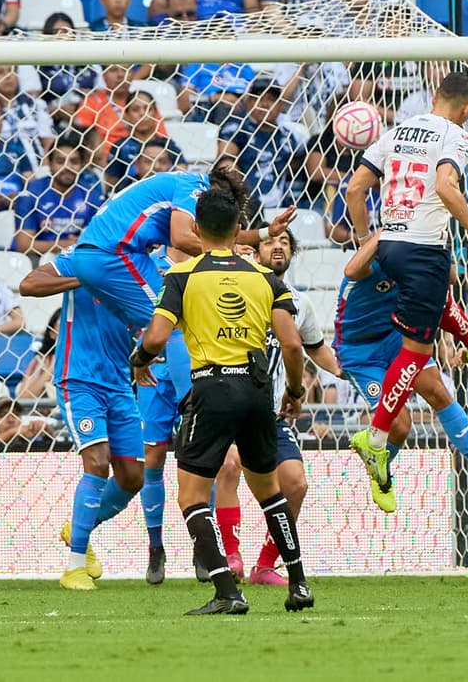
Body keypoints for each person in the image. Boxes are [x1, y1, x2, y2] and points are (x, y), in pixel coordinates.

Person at [129, 186, 313, 615]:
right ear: (238, 231)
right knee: (270, 492)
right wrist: (295, 390)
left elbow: (156, 337)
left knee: (191, 496)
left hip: (210, 390)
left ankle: (227, 591)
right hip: (255, 392)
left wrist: (139, 361)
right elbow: (291, 344)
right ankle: (299, 584)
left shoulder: (182, 276)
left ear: (195, 228)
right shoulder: (266, 278)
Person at [345, 72, 468, 502]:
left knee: (431, 307)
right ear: (466, 108)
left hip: (391, 245)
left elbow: (354, 189)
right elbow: (445, 185)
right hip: (424, 248)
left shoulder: (396, 131)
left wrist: (371, 235)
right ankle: (377, 437)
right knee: (417, 353)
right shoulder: (457, 136)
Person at [335, 231, 468, 514]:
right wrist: (385, 235)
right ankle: (380, 476)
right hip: (361, 351)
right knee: (400, 424)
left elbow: (452, 278)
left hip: (396, 338)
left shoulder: (415, 261)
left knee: (439, 391)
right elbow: (352, 270)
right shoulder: (378, 256)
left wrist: (431, 251)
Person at [18, 252, 143, 590]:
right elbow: (28, 284)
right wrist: (87, 278)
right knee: (98, 463)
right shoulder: (83, 258)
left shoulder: (142, 267)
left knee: (132, 477)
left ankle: (78, 527)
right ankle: (74, 567)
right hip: (80, 379)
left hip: (119, 382)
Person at [243, 230, 341, 585]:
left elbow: (317, 349)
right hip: (229, 410)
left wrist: (346, 370)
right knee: (223, 471)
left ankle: (265, 564)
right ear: (254, 250)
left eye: (285, 241)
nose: (279, 246)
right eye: (270, 241)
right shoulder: (239, 293)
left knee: (295, 484)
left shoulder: (300, 304)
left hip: (271, 415)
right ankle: (225, 557)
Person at [217, 77, 307, 209]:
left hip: (284, 205)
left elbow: (300, 164)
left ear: (281, 105)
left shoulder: (291, 135)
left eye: (271, 99)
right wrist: (243, 196)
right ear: (248, 103)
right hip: (245, 204)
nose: (264, 104)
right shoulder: (236, 129)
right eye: (258, 98)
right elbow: (225, 162)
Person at [13, 141, 104, 255]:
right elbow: (24, 246)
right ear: (50, 165)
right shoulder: (32, 194)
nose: (67, 167)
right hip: (35, 259)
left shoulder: (91, 195)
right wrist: (65, 244)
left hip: (75, 259)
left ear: (82, 166)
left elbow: (99, 240)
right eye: (60, 162)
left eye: (74, 162)